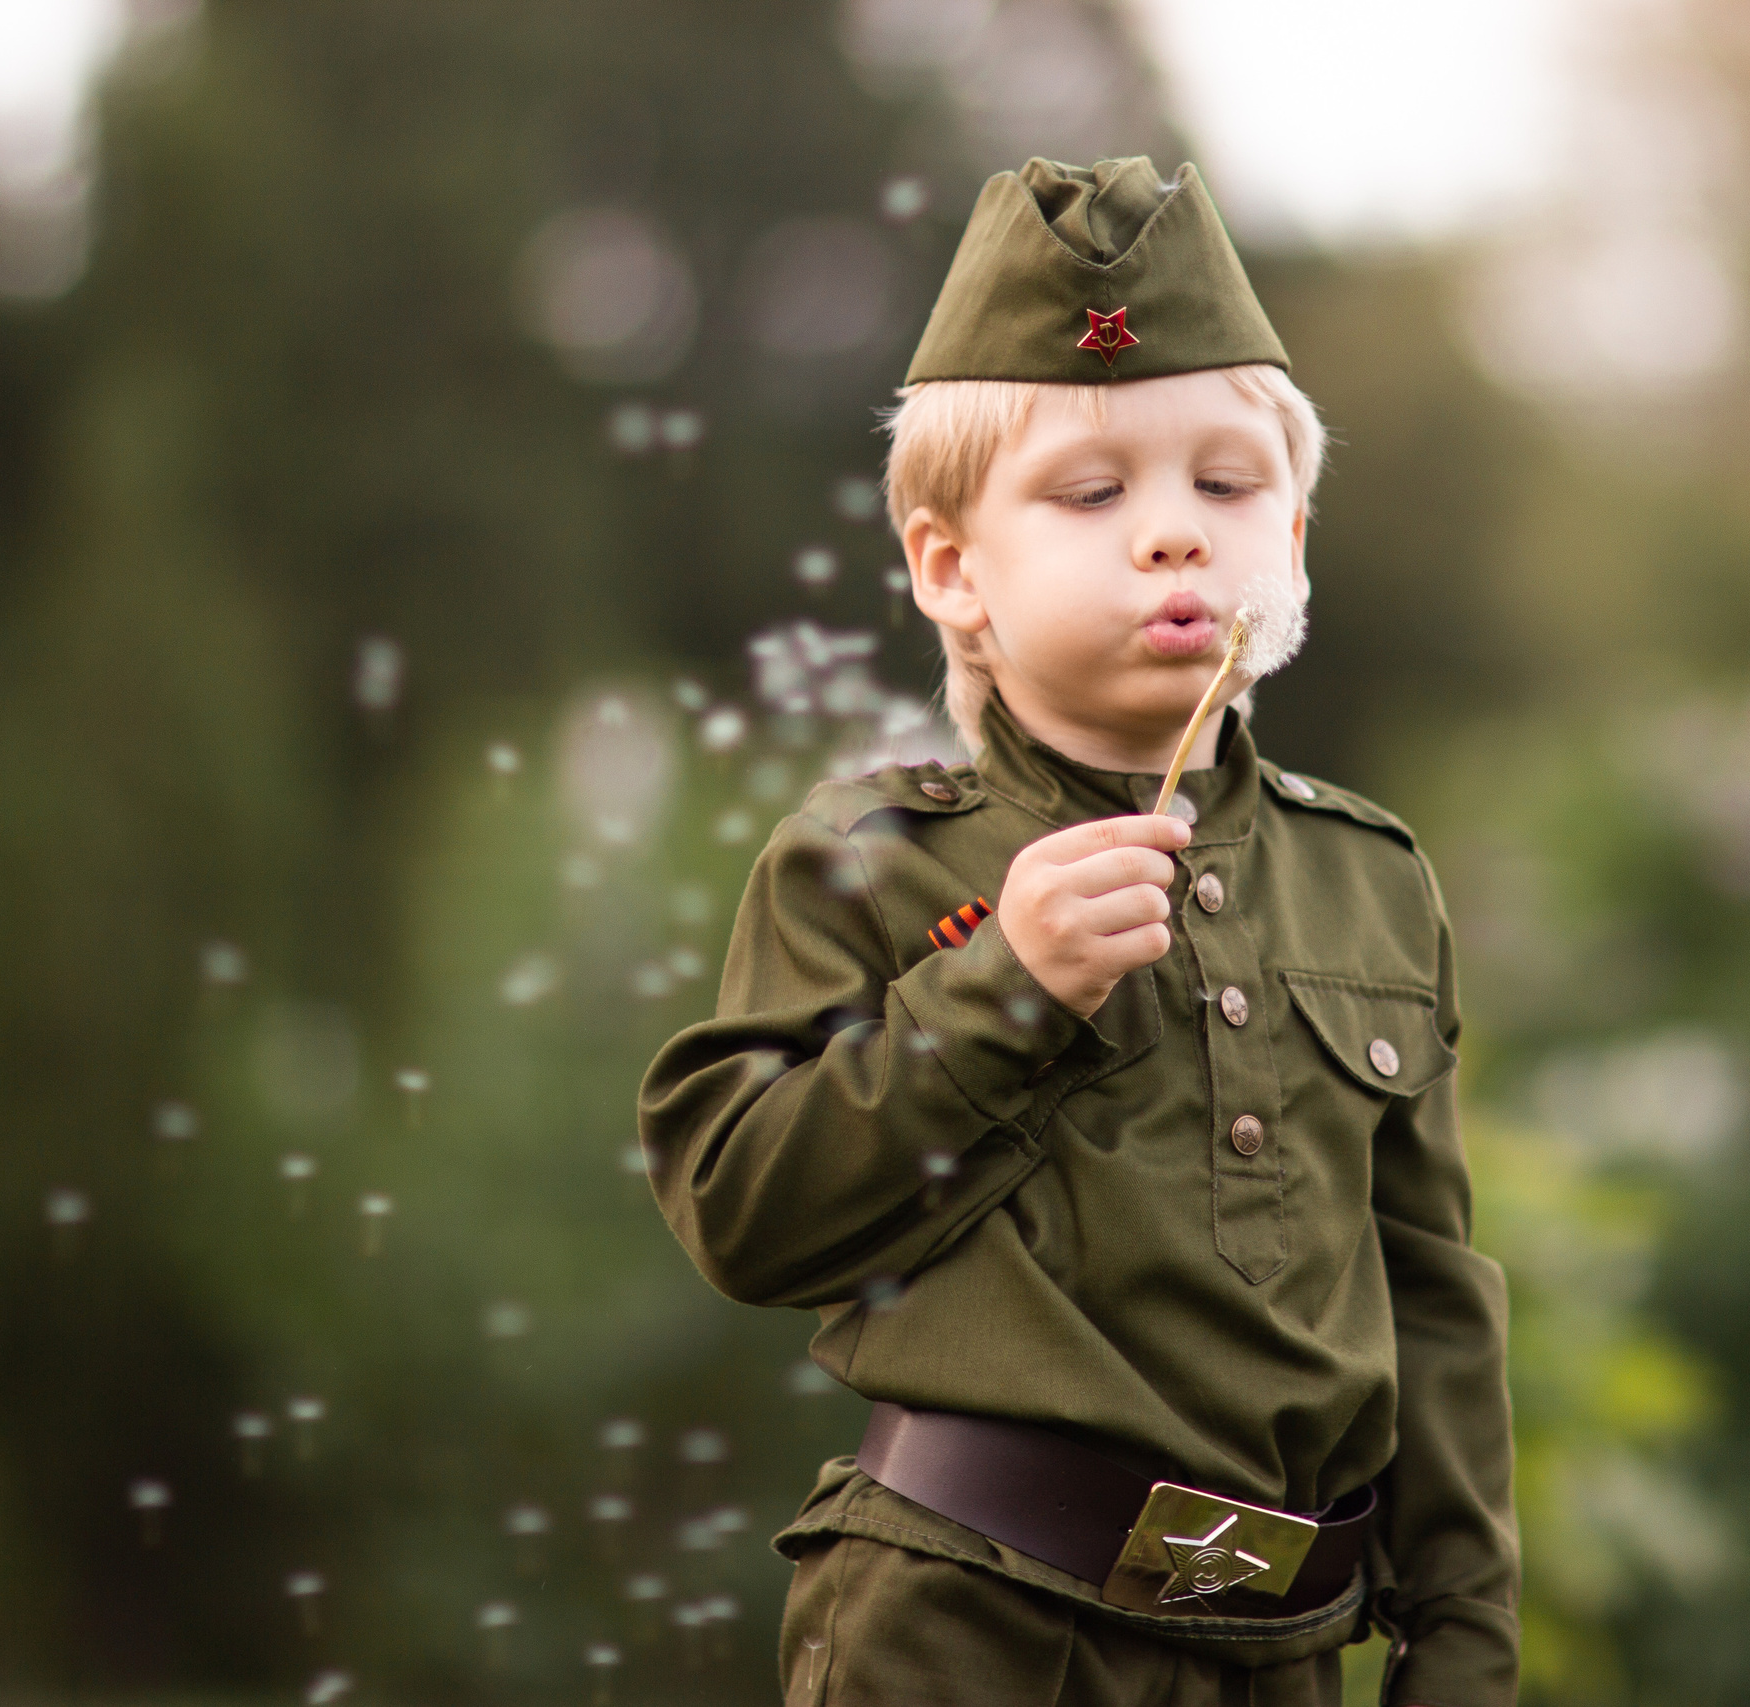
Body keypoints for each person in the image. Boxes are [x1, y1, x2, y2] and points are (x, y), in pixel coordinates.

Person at [639, 156, 1518, 1707]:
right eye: (1093, 492)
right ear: (950, 569)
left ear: (1296, 534)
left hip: (1285, 1653)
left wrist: (1461, 1652)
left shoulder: (1370, 879)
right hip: (968, 1632)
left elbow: (1434, 1293)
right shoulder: (867, 864)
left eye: (1225, 485)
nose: (1173, 536)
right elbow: (740, 1213)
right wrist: (1000, 990)